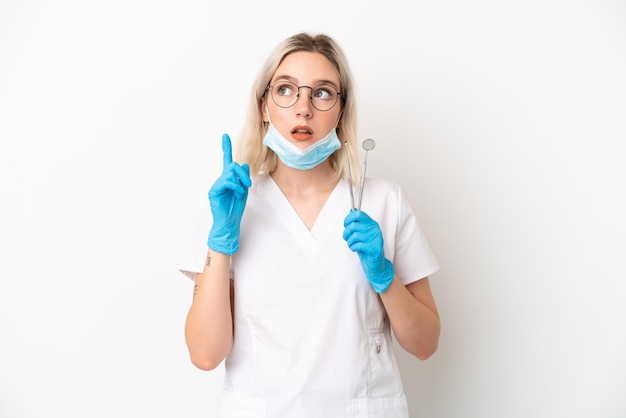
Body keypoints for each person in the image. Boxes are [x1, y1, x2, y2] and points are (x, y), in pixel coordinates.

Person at [179, 32, 440, 418]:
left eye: (321, 93)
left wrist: (385, 277)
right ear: (264, 106)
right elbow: (205, 354)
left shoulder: (384, 202)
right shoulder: (233, 204)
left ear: (340, 110)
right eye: (286, 90)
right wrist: (219, 243)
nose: (303, 109)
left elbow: (425, 344)